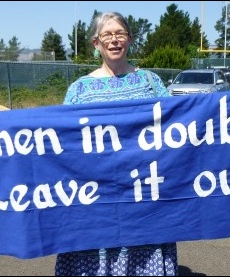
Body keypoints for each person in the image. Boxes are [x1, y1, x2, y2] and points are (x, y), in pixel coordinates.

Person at [55, 11, 178, 276]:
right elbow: (63, 140)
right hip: (96, 194)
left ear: (130, 40)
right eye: (107, 35)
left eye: (120, 33)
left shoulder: (150, 82)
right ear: (96, 43)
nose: (114, 40)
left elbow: (177, 125)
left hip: (142, 192)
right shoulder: (79, 89)